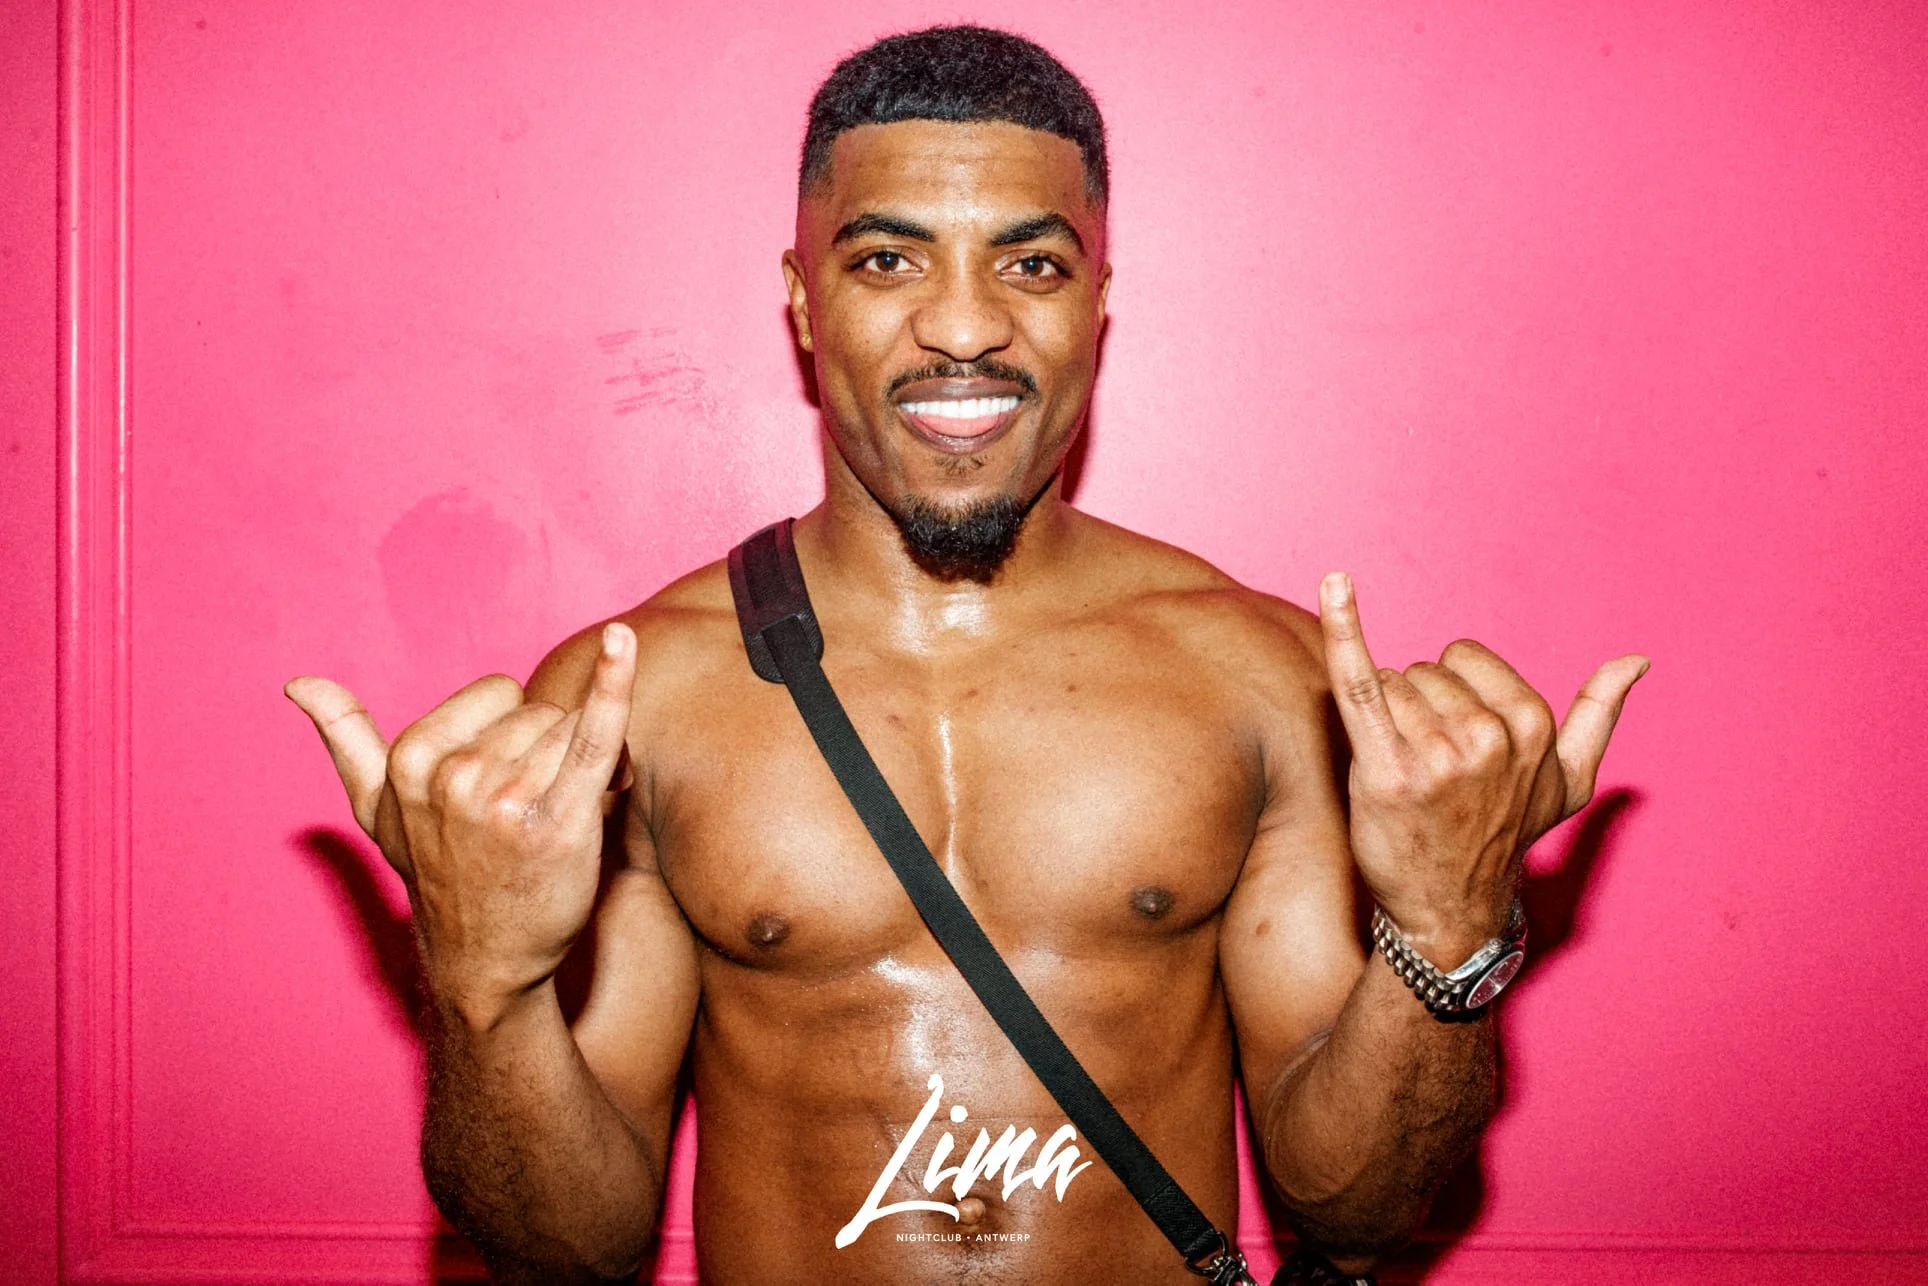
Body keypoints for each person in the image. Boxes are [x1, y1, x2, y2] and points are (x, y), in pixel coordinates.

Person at [285, 25, 1644, 1285]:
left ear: (1097, 302)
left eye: (1030, 263)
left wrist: (1448, 925)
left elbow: (1355, 1209)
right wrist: (481, 981)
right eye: (888, 260)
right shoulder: (632, 701)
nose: (963, 324)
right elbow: (567, 1247)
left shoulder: (1264, 678)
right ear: (803, 302)